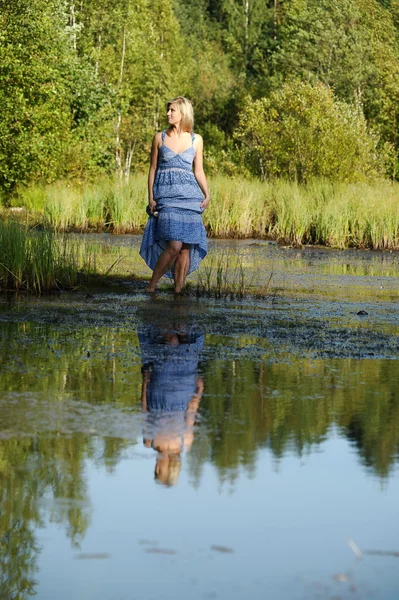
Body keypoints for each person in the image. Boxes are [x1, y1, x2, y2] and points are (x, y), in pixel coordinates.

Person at [139, 96, 210, 293]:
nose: (168, 113)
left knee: (185, 248)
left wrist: (207, 194)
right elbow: (153, 169)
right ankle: (151, 286)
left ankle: (178, 291)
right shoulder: (159, 138)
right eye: (168, 110)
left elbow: (199, 171)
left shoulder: (197, 140)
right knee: (174, 247)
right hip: (167, 198)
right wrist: (151, 197)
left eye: (172, 110)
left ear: (183, 114)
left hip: (191, 199)